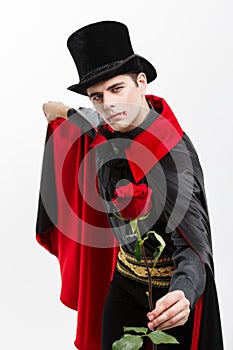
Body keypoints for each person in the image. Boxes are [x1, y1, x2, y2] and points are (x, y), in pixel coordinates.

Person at [36, 21, 223, 350]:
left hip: (168, 299)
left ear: (141, 82)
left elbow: (194, 250)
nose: (108, 104)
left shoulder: (172, 160)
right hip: (123, 285)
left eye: (116, 89)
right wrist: (61, 111)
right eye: (97, 96)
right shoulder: (113, 122)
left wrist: (183, 294)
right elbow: (95, 125)